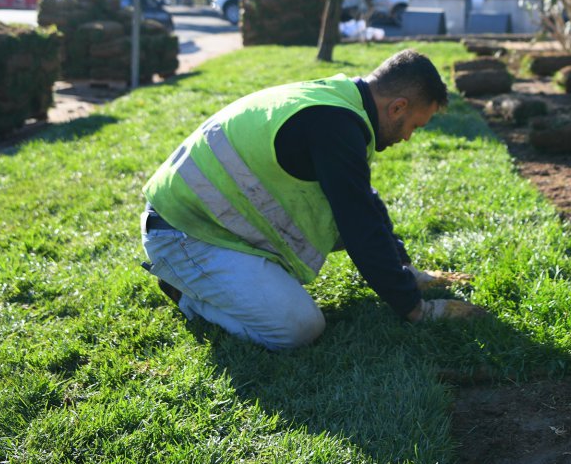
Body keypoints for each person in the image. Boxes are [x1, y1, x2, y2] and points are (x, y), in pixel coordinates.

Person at [140, 48, 485, 350]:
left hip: (212, 221)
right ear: (397, 108)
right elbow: (359, 226)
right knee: (299, 329)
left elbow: (363, 202)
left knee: (358, 205)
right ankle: (188, 295)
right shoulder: (335, 124)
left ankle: (219, 279)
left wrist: (406, 271)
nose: (409, 137)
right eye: (414, 126)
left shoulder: (342, 103)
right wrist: (415, 308)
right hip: (183, 234)